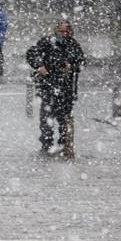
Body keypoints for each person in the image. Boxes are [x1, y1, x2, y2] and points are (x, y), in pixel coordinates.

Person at [26, 20, 84, 156]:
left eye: (66, 32)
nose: (64, 34)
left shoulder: (73, 44)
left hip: (67, 88)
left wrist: (72, 66)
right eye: (61, 31)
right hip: (48, 85)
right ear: (56, 31)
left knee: (64, 118)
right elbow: (31, 53)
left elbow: (81, 61)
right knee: (46, 117)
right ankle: (47, 145)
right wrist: (40, 66)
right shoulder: (46, 42)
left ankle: (65, 145)